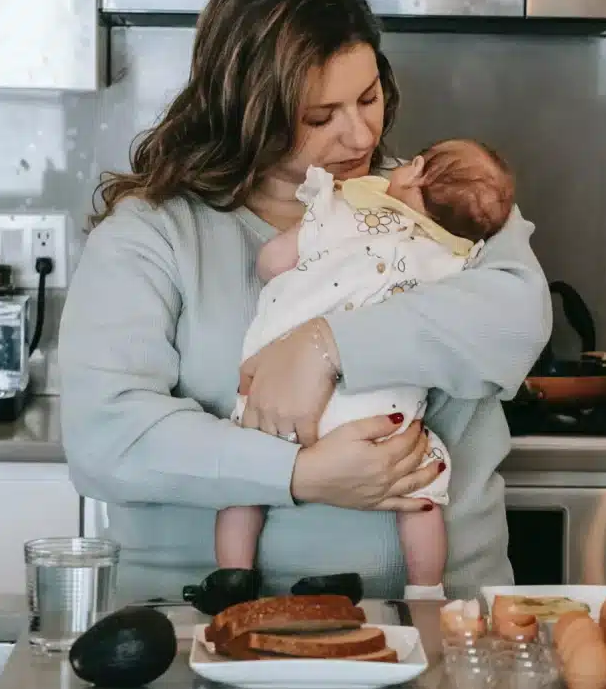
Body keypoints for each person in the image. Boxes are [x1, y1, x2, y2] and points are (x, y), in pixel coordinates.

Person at [58, 0, 551, 602]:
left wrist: (324, 345)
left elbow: (518, 313)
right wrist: (300, 473)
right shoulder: (152, 235)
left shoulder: (437, 205)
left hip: (439, 624)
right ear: (249, 114)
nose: (360, 133)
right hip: (191, 626)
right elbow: (106, 435)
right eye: (320, 117)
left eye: (369, 97)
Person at [218, 139, 516, 602]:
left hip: (273, 402)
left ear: (414, 170)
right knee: (423, 490)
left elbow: (273, 262)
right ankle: (426, 590)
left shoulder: (341, 210)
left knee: (243, 484)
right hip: (382, 416)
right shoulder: (457, 260)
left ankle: (234, 578)